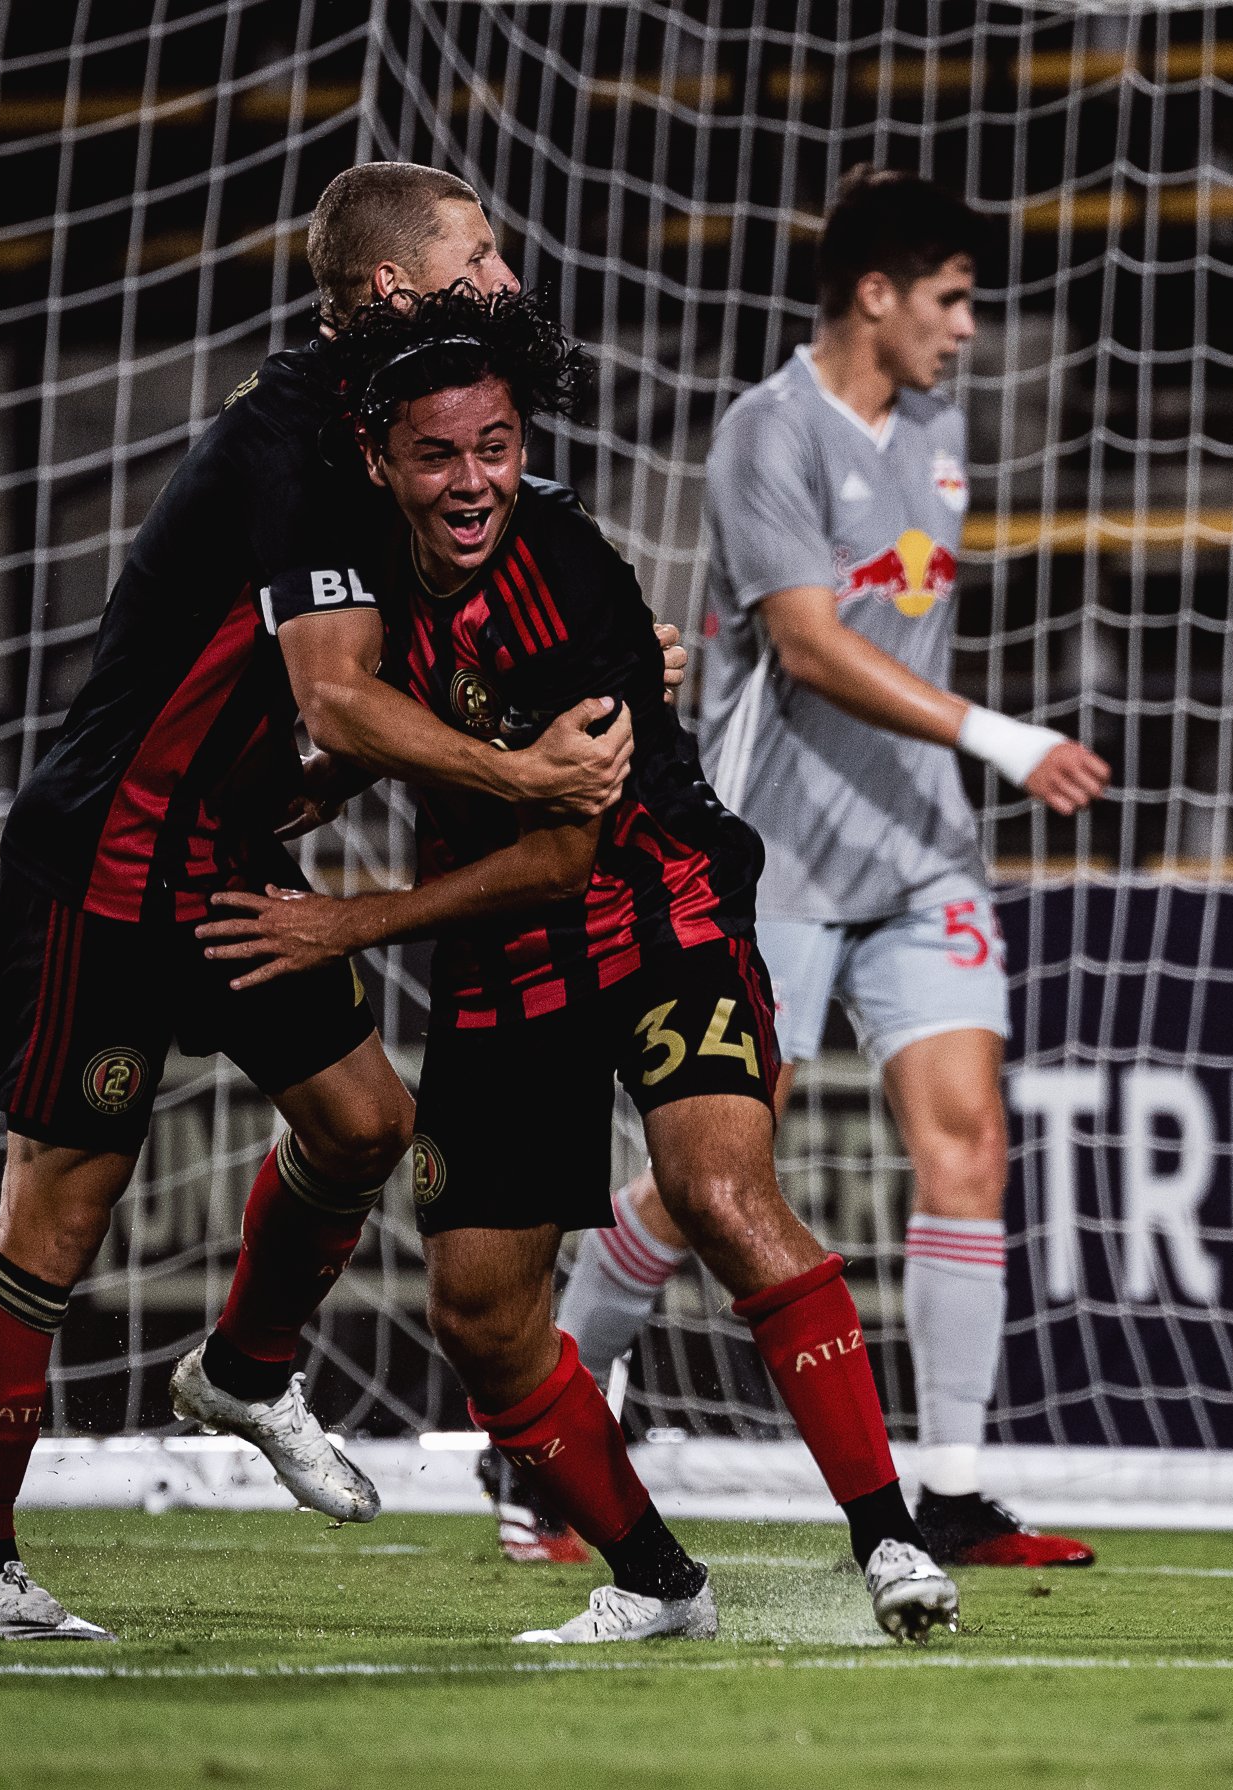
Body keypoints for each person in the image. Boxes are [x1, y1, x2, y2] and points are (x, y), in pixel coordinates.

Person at [0, 163, 661, 1644]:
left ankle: (247, 1369)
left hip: (227, 854)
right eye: (482, 259)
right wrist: (522, 773)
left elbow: (324, 713)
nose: (510, 285)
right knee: (59, 1216)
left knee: (365, 1122)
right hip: (111, 864)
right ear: (395, 294)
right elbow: (338, 690)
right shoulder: (301, 446)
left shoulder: (403, 428)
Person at [197, 284, 961, 1644]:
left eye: (495, 445)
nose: (473, 479)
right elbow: (341, 714)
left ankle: (891, 1540)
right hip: (499, 950)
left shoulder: (570, 580)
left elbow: (560, 853)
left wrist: (341, 919)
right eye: (439, 454)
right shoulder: (347, 555)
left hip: (651, 904)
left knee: (716, 1189)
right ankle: (658, 1580)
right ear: (381, 459)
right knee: (480, 1309)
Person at [548, 167, 1111, 1570]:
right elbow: (802, 642)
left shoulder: (937, 424)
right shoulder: (762, 434)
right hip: (771, 862)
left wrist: (956, 763)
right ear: (875, 293)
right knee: (705, 1179)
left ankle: (958, 1488)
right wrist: (997, 731)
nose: (969, 331)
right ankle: (545, 1430)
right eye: (951, 301)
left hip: (922, 855)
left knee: (968, 1146)